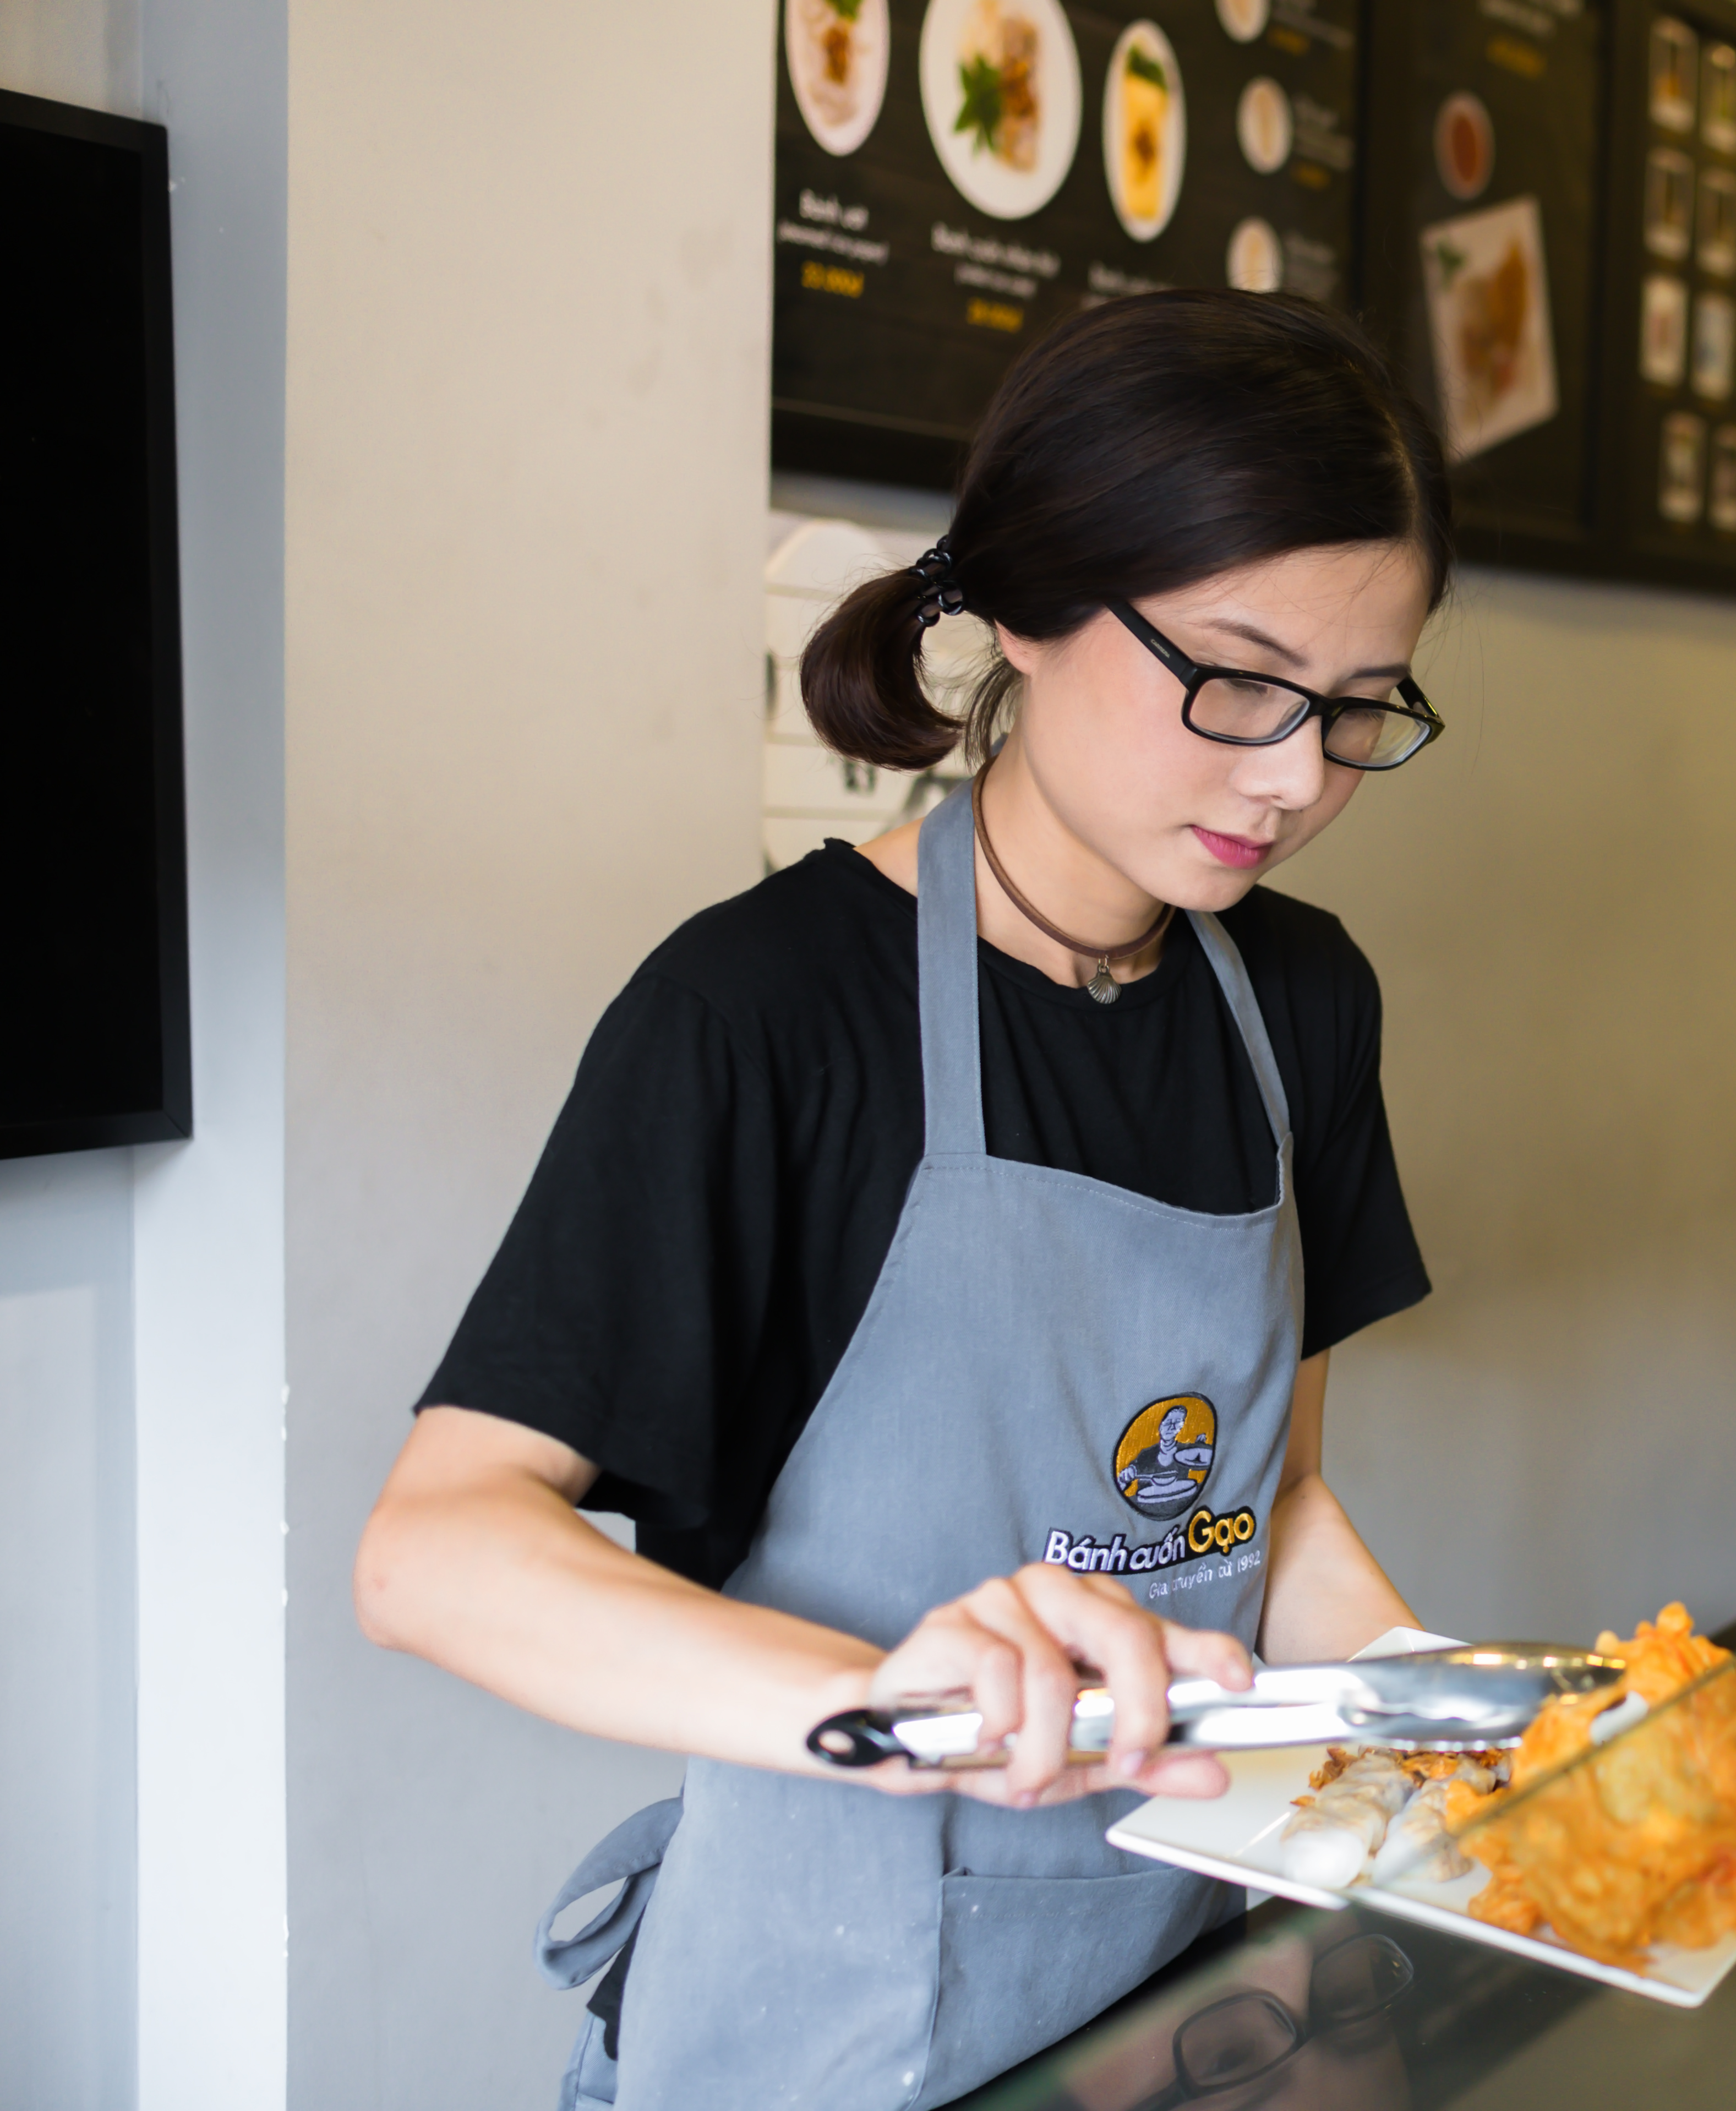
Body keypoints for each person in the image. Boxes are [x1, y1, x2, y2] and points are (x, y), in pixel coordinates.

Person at [353, 290, 1456, 2110]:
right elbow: (435, 1550)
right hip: (822, 2030)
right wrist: (899, 1707)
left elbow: (1274, 1509)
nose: (1291, 776)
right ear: (1028, 603)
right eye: (1238, 680)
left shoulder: (1301, 1002)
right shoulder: (766, 1012)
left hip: (1167, 2005)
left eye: (1354, 708)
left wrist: (1443, 1712)